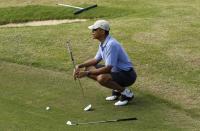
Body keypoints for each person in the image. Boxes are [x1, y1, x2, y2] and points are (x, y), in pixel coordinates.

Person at [73, 20, 137, 106]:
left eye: (94, 30)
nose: (92, 32)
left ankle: (127, 94)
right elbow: (95, 60)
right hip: (116, 71)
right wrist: (79, 66)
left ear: (102, 31)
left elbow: (108, 68)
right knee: (88, 67)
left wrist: (86, 73)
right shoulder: (103, 43)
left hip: (127, 75)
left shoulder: (111, 44)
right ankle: (117, 90)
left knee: (101, 78)